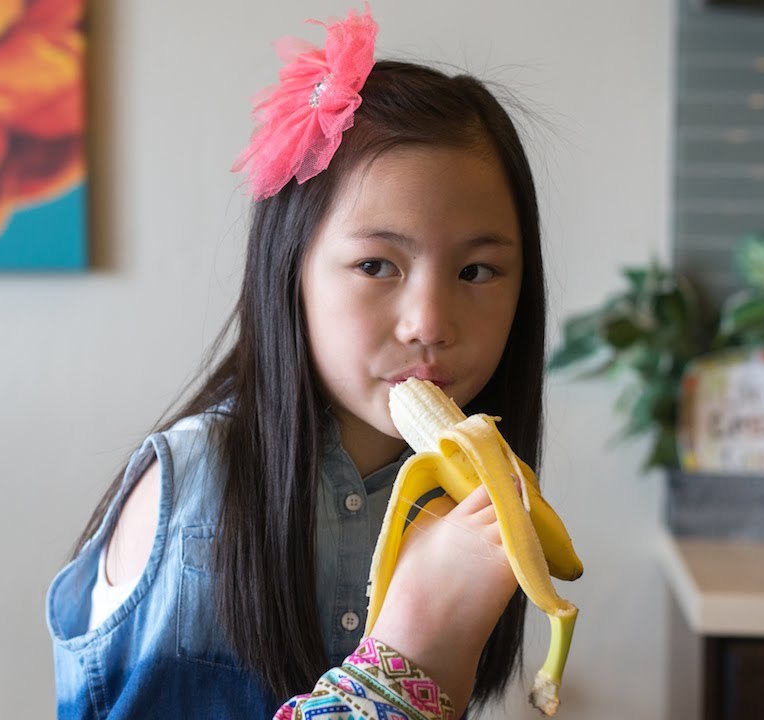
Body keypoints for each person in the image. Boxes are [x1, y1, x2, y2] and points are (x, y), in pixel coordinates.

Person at [46, 6, 550, 719]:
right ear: (292, 273)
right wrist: (407, 663)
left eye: (477, 272)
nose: (431, 324)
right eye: (377, 264)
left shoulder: (463, 498)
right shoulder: (195, 499)